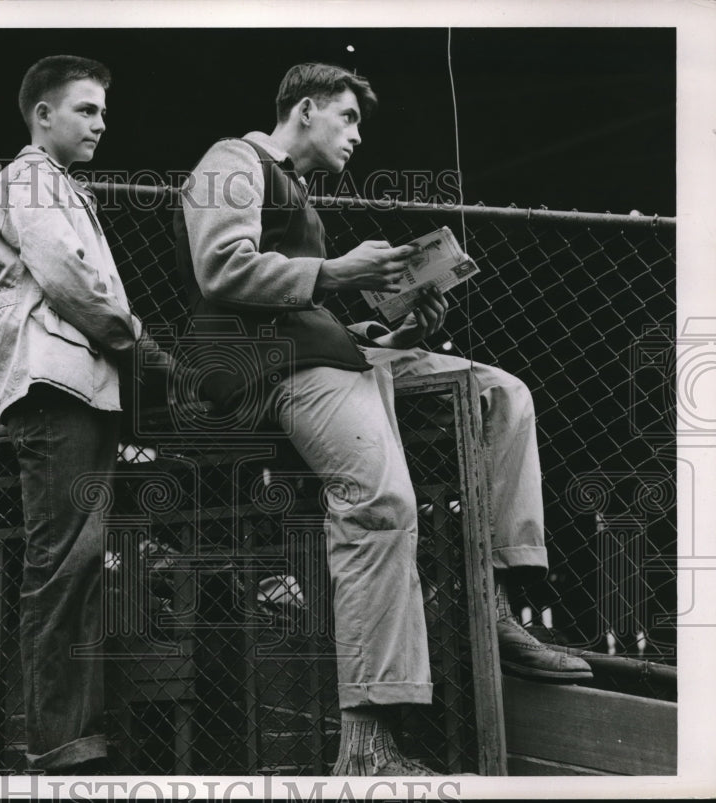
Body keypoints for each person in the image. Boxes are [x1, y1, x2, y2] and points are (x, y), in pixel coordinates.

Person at [173, 62, 593, 776]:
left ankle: (494, 601)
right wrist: (341, 271)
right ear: (304, 109)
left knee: (502, 394)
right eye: (348, 118)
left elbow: (312, 305)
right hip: (272, 363)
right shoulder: (231, 158)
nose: (358, 135)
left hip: (335, 349)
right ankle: (365, 746)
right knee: (379, 502)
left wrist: (398, 328)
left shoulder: (300, 191)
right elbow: (222, 269)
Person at [0, 55, 142, 774]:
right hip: (56, 385)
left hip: (76, 382)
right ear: (43, 115)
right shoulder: (31, 176)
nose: (101, 123)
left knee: (77, 565)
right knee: (63, 566)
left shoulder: (55, 182)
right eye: (86, 109)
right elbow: (69, 273)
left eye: (103, 111)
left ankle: (76, 740)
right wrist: (134, 337)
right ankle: (60, 749)